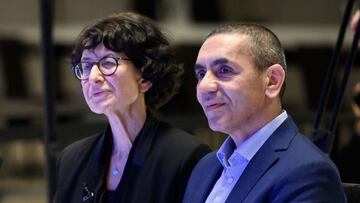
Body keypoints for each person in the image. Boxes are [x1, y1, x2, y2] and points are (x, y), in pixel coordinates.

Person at [53, 12, 211, 203]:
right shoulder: (72, 159)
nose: (94, 77)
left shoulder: (185, 156)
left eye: (108, 63)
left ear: (145, 77)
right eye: (86, 66)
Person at [183, 23, 346, 203]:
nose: (204, 86)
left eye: (224, 70)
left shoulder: (308, 172)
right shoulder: (204, 167)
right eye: (201, 74)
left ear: (272, 81)